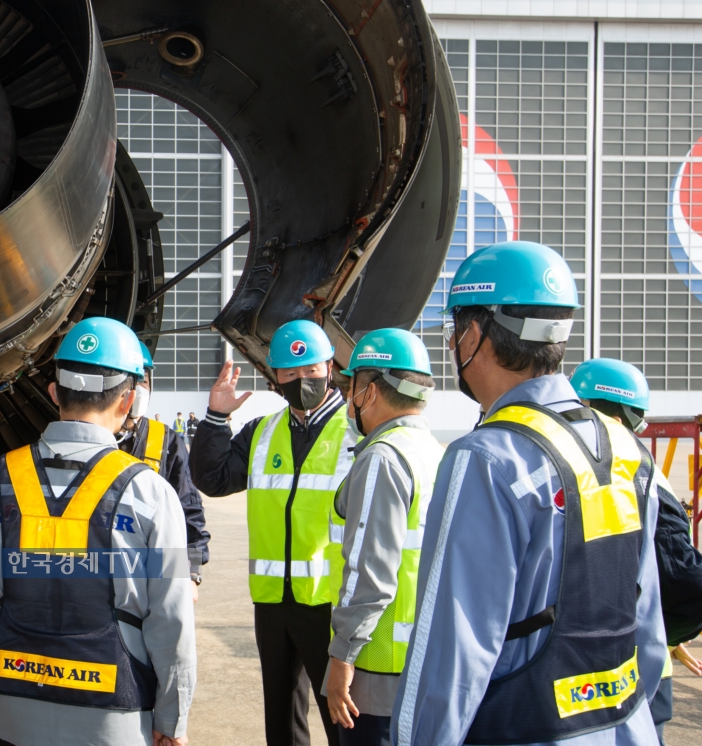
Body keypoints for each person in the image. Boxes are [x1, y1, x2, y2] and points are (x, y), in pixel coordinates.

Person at [392, 241, 667, 746]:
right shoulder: (624, 446)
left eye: (455, 330)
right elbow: (646, 623)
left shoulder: (486, 458)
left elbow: (453, 651)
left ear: (473, 334)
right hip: (624, 727)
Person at [0, 317, 195, 746]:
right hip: (114, 717)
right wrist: (172, 716)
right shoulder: (152, 494)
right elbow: (171, 622)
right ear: (130, 401)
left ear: (53, 393)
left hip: (12, 710)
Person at [192, 319, 354, 746]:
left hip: (330, 604)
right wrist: (215, 418)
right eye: (290, 373)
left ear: (330, 367)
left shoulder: (357, 432)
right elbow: (212, 478)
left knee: (344, 723)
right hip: (273, 601)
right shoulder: (263, 432)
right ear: (275, 378)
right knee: (281, 723)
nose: (302, 380)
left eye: (312, 371)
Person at [570, 358, 702, 745]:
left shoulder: (628, 473)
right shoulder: (631, 466)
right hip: (615, 676)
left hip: (630, 678)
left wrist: (665, 632)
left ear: (588, 408)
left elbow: (688, 583)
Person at [321, 329, 443, 746]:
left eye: (350, 385)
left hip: (377, 667)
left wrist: (342, 656)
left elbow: (368, 572)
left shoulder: (382, 457)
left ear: (368, 392)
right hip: (425, 661)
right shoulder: (434, 451)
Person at [118, 343, 210, 601]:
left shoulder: (166, 441)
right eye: (130, 380)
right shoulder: (92, 438)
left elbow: (188, 508)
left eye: (144, 379)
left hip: (152, 576)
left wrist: (191, 573)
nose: (138, 389)